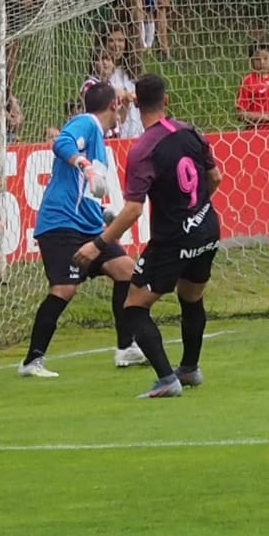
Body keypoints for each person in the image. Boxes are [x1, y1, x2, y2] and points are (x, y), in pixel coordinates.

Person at [74, 74, 220, 398]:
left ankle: (168, 379)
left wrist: (98, 245)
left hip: (173, 239)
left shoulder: (143, 149)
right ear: (166, 101)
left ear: (136, 104)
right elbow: (215, 177)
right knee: (192, 297)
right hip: (207, 227)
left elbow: (132, 211)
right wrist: (195, 211)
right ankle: (190, 368)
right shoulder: (191, 132)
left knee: (134, 308)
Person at [18, 82, 142, 377]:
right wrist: (83, 163)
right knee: (64, 289)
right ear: (112, 105)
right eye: (119, 104)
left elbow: (82, 192)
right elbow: (61, 143)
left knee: (126, 269)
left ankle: (126, 348)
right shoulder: (85, 122)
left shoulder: (98, 136)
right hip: (61, 224)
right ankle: (31, 361)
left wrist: (104, 213)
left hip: (87, 225)